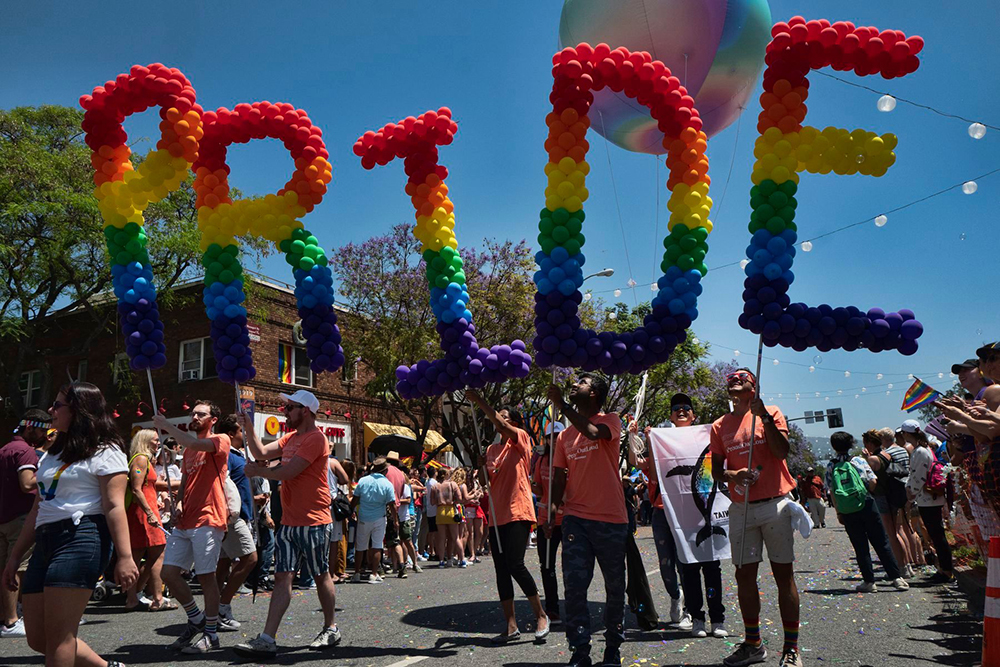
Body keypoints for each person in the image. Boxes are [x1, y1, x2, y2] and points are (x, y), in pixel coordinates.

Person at [2, 382, 138, 667]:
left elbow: (114, 506)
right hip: (45, 540)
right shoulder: (52, 453)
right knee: (37, 638)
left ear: (79, 411)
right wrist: (14, 558)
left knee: (60, 637)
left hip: (82, 536)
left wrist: (125, 557)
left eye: (58, 405)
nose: (51, 410)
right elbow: (39, 506)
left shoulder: (106, 450)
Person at [235, 390, 340, 658]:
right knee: (282, 576)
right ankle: (268, 638)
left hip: (314, 520)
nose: (286, 411)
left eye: (290, 407)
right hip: (289, 522)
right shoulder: (290, 437)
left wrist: (258, 470)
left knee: (320, 575)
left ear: (305, 410)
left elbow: (290, 471)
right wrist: (247, 424)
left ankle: (331, 627)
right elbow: (259, 451)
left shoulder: (316, 439)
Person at [709, 368, 801, 667]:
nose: (735, 379)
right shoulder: (719, 425)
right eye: (731, 378)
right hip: (742, 510)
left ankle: (791, 649)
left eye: (742, 377)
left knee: (782, 575)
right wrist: (734, 474)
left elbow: (781, 450)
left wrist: (764, 418)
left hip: (775, 504)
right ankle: (753, 644)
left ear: (754, 386)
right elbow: (717, 470)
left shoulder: (771, 412)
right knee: (744, 575)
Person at [548, 373, 628, 667]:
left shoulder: (611, 420)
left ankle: (612, 649)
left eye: (580, 382)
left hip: (611, 519)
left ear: (594, 393)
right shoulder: (563, 437)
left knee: (615, 586)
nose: (573, 384)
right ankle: (580, 650)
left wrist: (562, 407)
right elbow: (559, 475)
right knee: (575, 587)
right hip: (575, 520)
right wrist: (553, 508)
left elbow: (594, 433)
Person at [467, 389, 550, 643]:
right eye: (498, 416)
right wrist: (480, 465)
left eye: (504, 417)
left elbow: (500, 423)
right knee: (501, 569)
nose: (499, 421)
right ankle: (511, 625)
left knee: (515, 563)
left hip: (519, 512)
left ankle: (540, 615)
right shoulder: (492, 449)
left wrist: (479, 400)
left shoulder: (521, 439)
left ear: (513, 422)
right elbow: (484, 482)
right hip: (497, 514)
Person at [154, 401, 231, 654]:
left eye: (201, 414)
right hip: (186, 520)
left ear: (213, 419)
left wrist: (166, 427)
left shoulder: (220, 440)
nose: (195, 416)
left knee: (206, 576)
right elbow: (185, 481)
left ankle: (211, 634)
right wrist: (177, 505)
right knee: (169, 573)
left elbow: (196, 444)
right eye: (193, 413)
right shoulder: (188, 451)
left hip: (209, 518)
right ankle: (197, 619)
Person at [647, 394, 726, 638]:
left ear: (693, 416)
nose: (681, 411)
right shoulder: (663, 440)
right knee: (689, 567)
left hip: (705, 515)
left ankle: (718, 619)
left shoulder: (708, 436)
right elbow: (653, 471)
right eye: (676, 409)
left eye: (686, 408)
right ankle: (697, 617)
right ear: (670, 416)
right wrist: (650, 440)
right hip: (679, 516)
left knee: (712, 566)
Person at [826, 431, 909, 593]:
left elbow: (832, 491)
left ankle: (869, 582)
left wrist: (839, 512)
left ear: (833, 447)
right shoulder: (857, 460)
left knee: (860, 545)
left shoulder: (831, 466)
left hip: (847, 509)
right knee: (881, 541)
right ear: (851, 445)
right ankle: (896, 578)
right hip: (866, 504)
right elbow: (873, 481)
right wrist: (865, 494)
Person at [0, 409, 45, 638]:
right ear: (30, 427)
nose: (44, 435)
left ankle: (7, 616)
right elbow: (27, 484)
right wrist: (50, 475)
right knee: (17, 568)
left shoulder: (5, 449)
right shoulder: (26, 452)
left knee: (5, 568)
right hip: (19, 517)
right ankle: (11, 621)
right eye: (41, 429)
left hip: (4, 517)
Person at [212, 415, 259, 630]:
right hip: (232, 517)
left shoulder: (236, 454)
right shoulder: (227, 455)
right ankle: (222, 606)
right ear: (231, 434)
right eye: (241, 431)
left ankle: (213, 611)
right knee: (250, 558)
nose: (244, 435)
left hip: (238, 515)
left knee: (222, 566)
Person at [123, 429, 172, 612]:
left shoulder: (143, 460)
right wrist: (150, 513)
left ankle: (135, 595)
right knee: (154, 552)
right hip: (143, 512)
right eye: (155, 440)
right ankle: (153, 597)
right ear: (145, 441)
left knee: (140, 554)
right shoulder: (141, 459)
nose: (158, 443)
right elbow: (136, 489)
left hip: (145, 511)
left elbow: (147, 485)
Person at [901, 419, 954, 583]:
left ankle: (946, 570)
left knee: (937, 534)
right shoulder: (924, 449)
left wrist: (911, 493)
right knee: (936, 534)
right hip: (929, 497)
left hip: (927, 498)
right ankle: (944, 568)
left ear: (908, 434)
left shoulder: (920, 452)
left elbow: (919, 475)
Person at [862, 428, 915, 578]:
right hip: (893, 495)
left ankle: (901, 567)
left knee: (891, 535)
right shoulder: (887, 454)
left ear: (870, 444)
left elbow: (870, 480)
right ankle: (907, 565)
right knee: (899, 531)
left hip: (882, 497)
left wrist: (866, 459)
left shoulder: (873, 459)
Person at [531, 421, 564, 627]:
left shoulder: (571, 458)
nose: (554, 440)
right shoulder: (541, 460)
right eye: (551, 436)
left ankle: (576, 605)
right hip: (545, 521)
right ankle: (552, 609)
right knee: (547, 566)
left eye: (558, 435)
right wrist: (533, 486)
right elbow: (538, 488)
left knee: (572, 566)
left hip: (568, 520)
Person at [350, 458, 398, 583]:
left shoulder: (363, 481)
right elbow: (392, 504)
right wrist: (396, 519)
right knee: (377, 546)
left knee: (360, 546)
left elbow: (355, 499)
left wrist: (351, 511)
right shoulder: (387, 484)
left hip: (363, 517)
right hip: (379, 518)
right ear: (385, 470)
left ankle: (356, 573)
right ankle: (374, 573)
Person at [434, 468, 469, 568]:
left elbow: (432, 501)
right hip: (450, 510)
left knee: (441, 538)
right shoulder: (452, 484)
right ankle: (462, 560)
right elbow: (460, 498)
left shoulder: (435, 486)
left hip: (440, 511)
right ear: (446, 475)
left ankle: (441, 561)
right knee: (456, 537)